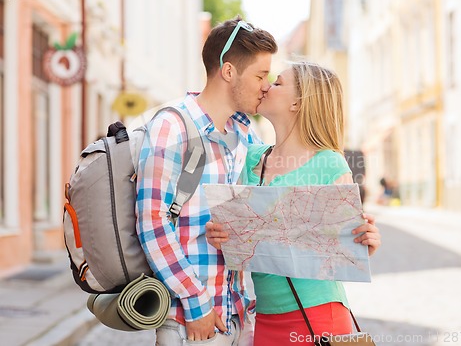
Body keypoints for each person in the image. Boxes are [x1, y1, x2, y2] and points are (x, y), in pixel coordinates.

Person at [206, 61, 381, 345]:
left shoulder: (329, 163)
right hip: (264, 316)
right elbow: (239, 239)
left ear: (298, 103)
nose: (266, 85)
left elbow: (347, 248)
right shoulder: (251, 159)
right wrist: (221, 237)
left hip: (318, 315)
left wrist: (366, 242)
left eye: (277, 83)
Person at [135, 17, 277, 345]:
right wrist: (196, 303)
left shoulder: (246, 135)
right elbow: (152, 222)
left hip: (237, 316)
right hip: (192, 322)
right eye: (260, 75)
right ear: (229, 72)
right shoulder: (174, 127)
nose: (266, 85)